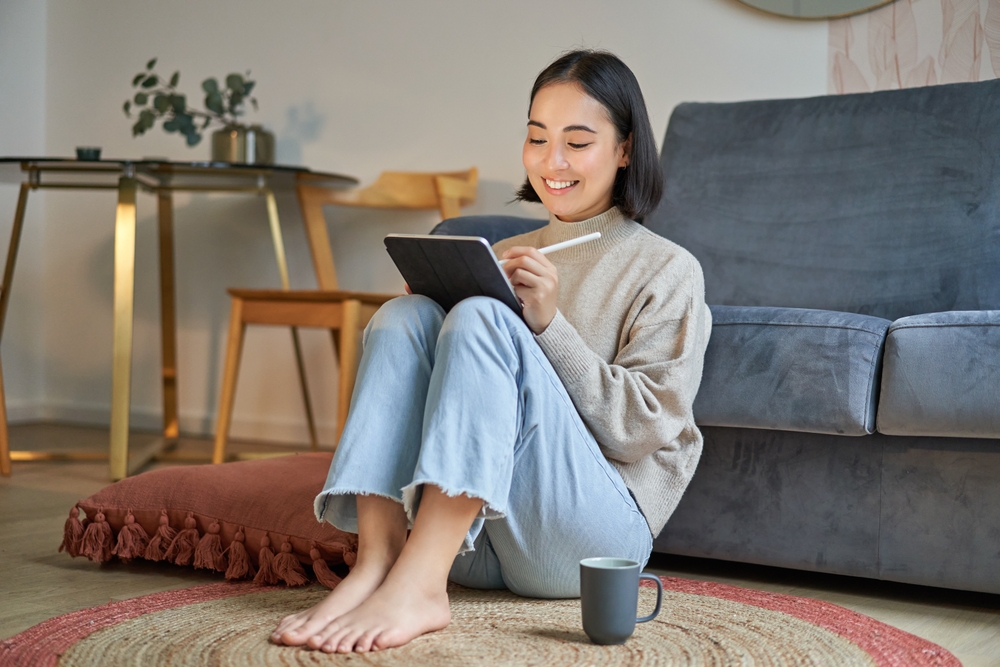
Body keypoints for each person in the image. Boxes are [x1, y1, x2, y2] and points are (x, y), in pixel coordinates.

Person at [270, 49, 712, 654]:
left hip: (589, 544)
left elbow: (640, 431)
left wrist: (548, 325)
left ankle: (419, 587)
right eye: (537, 138)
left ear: (626, 149)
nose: (551, 162)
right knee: (405, 315)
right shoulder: (510, 248)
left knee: (484, 314)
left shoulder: (668, 269)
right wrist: (433, 315)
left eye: (577, 142)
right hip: (472, 545)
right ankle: (381, 561)